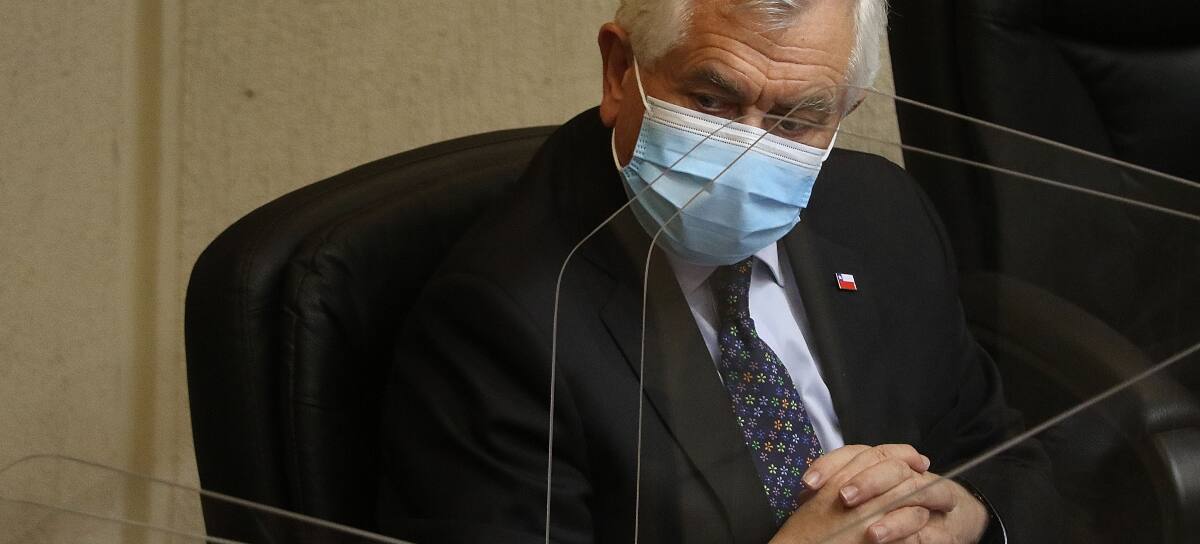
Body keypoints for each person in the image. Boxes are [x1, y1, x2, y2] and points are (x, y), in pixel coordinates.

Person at [377, 1, 1059, 542]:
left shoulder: (882, 213)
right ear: (620, 71)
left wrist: (968, 516)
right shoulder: (501, 318)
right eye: (711, 102)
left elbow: (1004, 454)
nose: (747, 152)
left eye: (796, 121)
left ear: (844, 114)